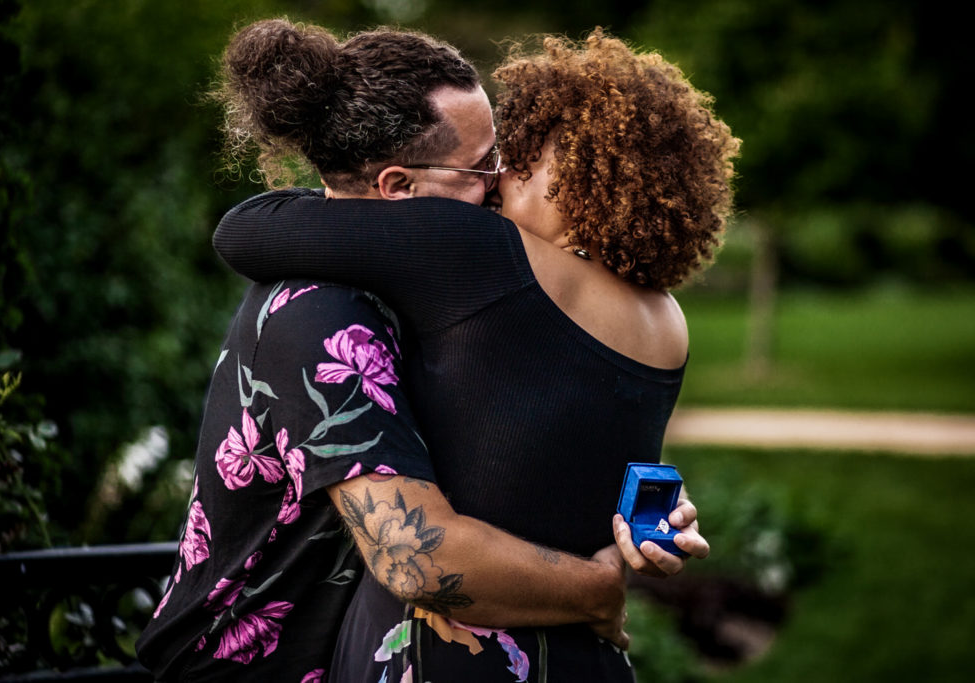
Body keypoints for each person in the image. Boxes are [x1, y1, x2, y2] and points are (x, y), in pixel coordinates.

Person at [136, 22, 695, 683]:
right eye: (483, 164)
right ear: (400, 188)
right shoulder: (321, 310)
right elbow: (414, 556)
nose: (496, 181)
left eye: (512, 159)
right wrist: (594, 584)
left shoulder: (456, 290)